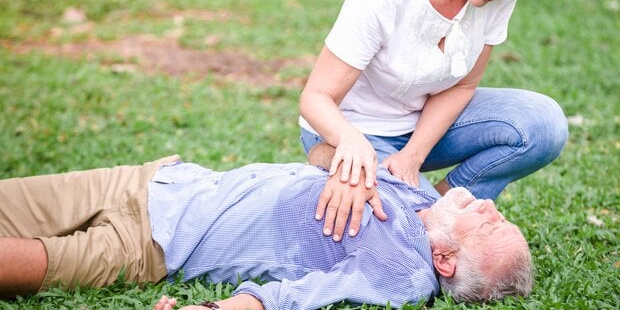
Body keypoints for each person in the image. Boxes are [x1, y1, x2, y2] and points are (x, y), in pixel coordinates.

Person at [298, 0, 569, 235]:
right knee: (413, 239)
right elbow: (315, 98)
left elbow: (464, 84)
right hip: (354, 130)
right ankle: (331, 158)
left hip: (425, 127)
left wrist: (413, 155)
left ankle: (440, 206)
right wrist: (351, 141)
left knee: (544, 125)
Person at [0, 155, 533, 310]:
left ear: (445, 261)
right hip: (154, 180)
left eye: (488, 224)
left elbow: (296, 297)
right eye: (500, 214)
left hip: (149, 246)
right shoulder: (416, 194)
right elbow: (323, 145)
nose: (489, 204)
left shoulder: (405, 273)